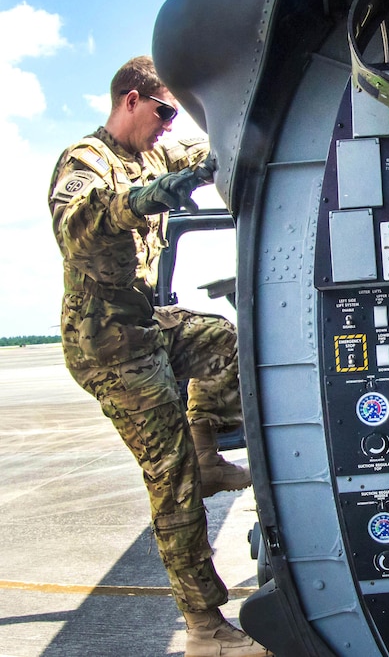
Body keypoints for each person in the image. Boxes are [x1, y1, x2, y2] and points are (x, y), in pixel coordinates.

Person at [48, 56, 268, 656]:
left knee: (226, 339)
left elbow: (207, 147)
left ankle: (206, 450)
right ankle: (204, 628)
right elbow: (78, 222)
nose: (169, 125)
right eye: (163, 111)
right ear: (130, 101)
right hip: (108, 346)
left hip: (146, 324)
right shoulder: (84, 160)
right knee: (170, 483)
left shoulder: (155, 150)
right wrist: (141, 199)